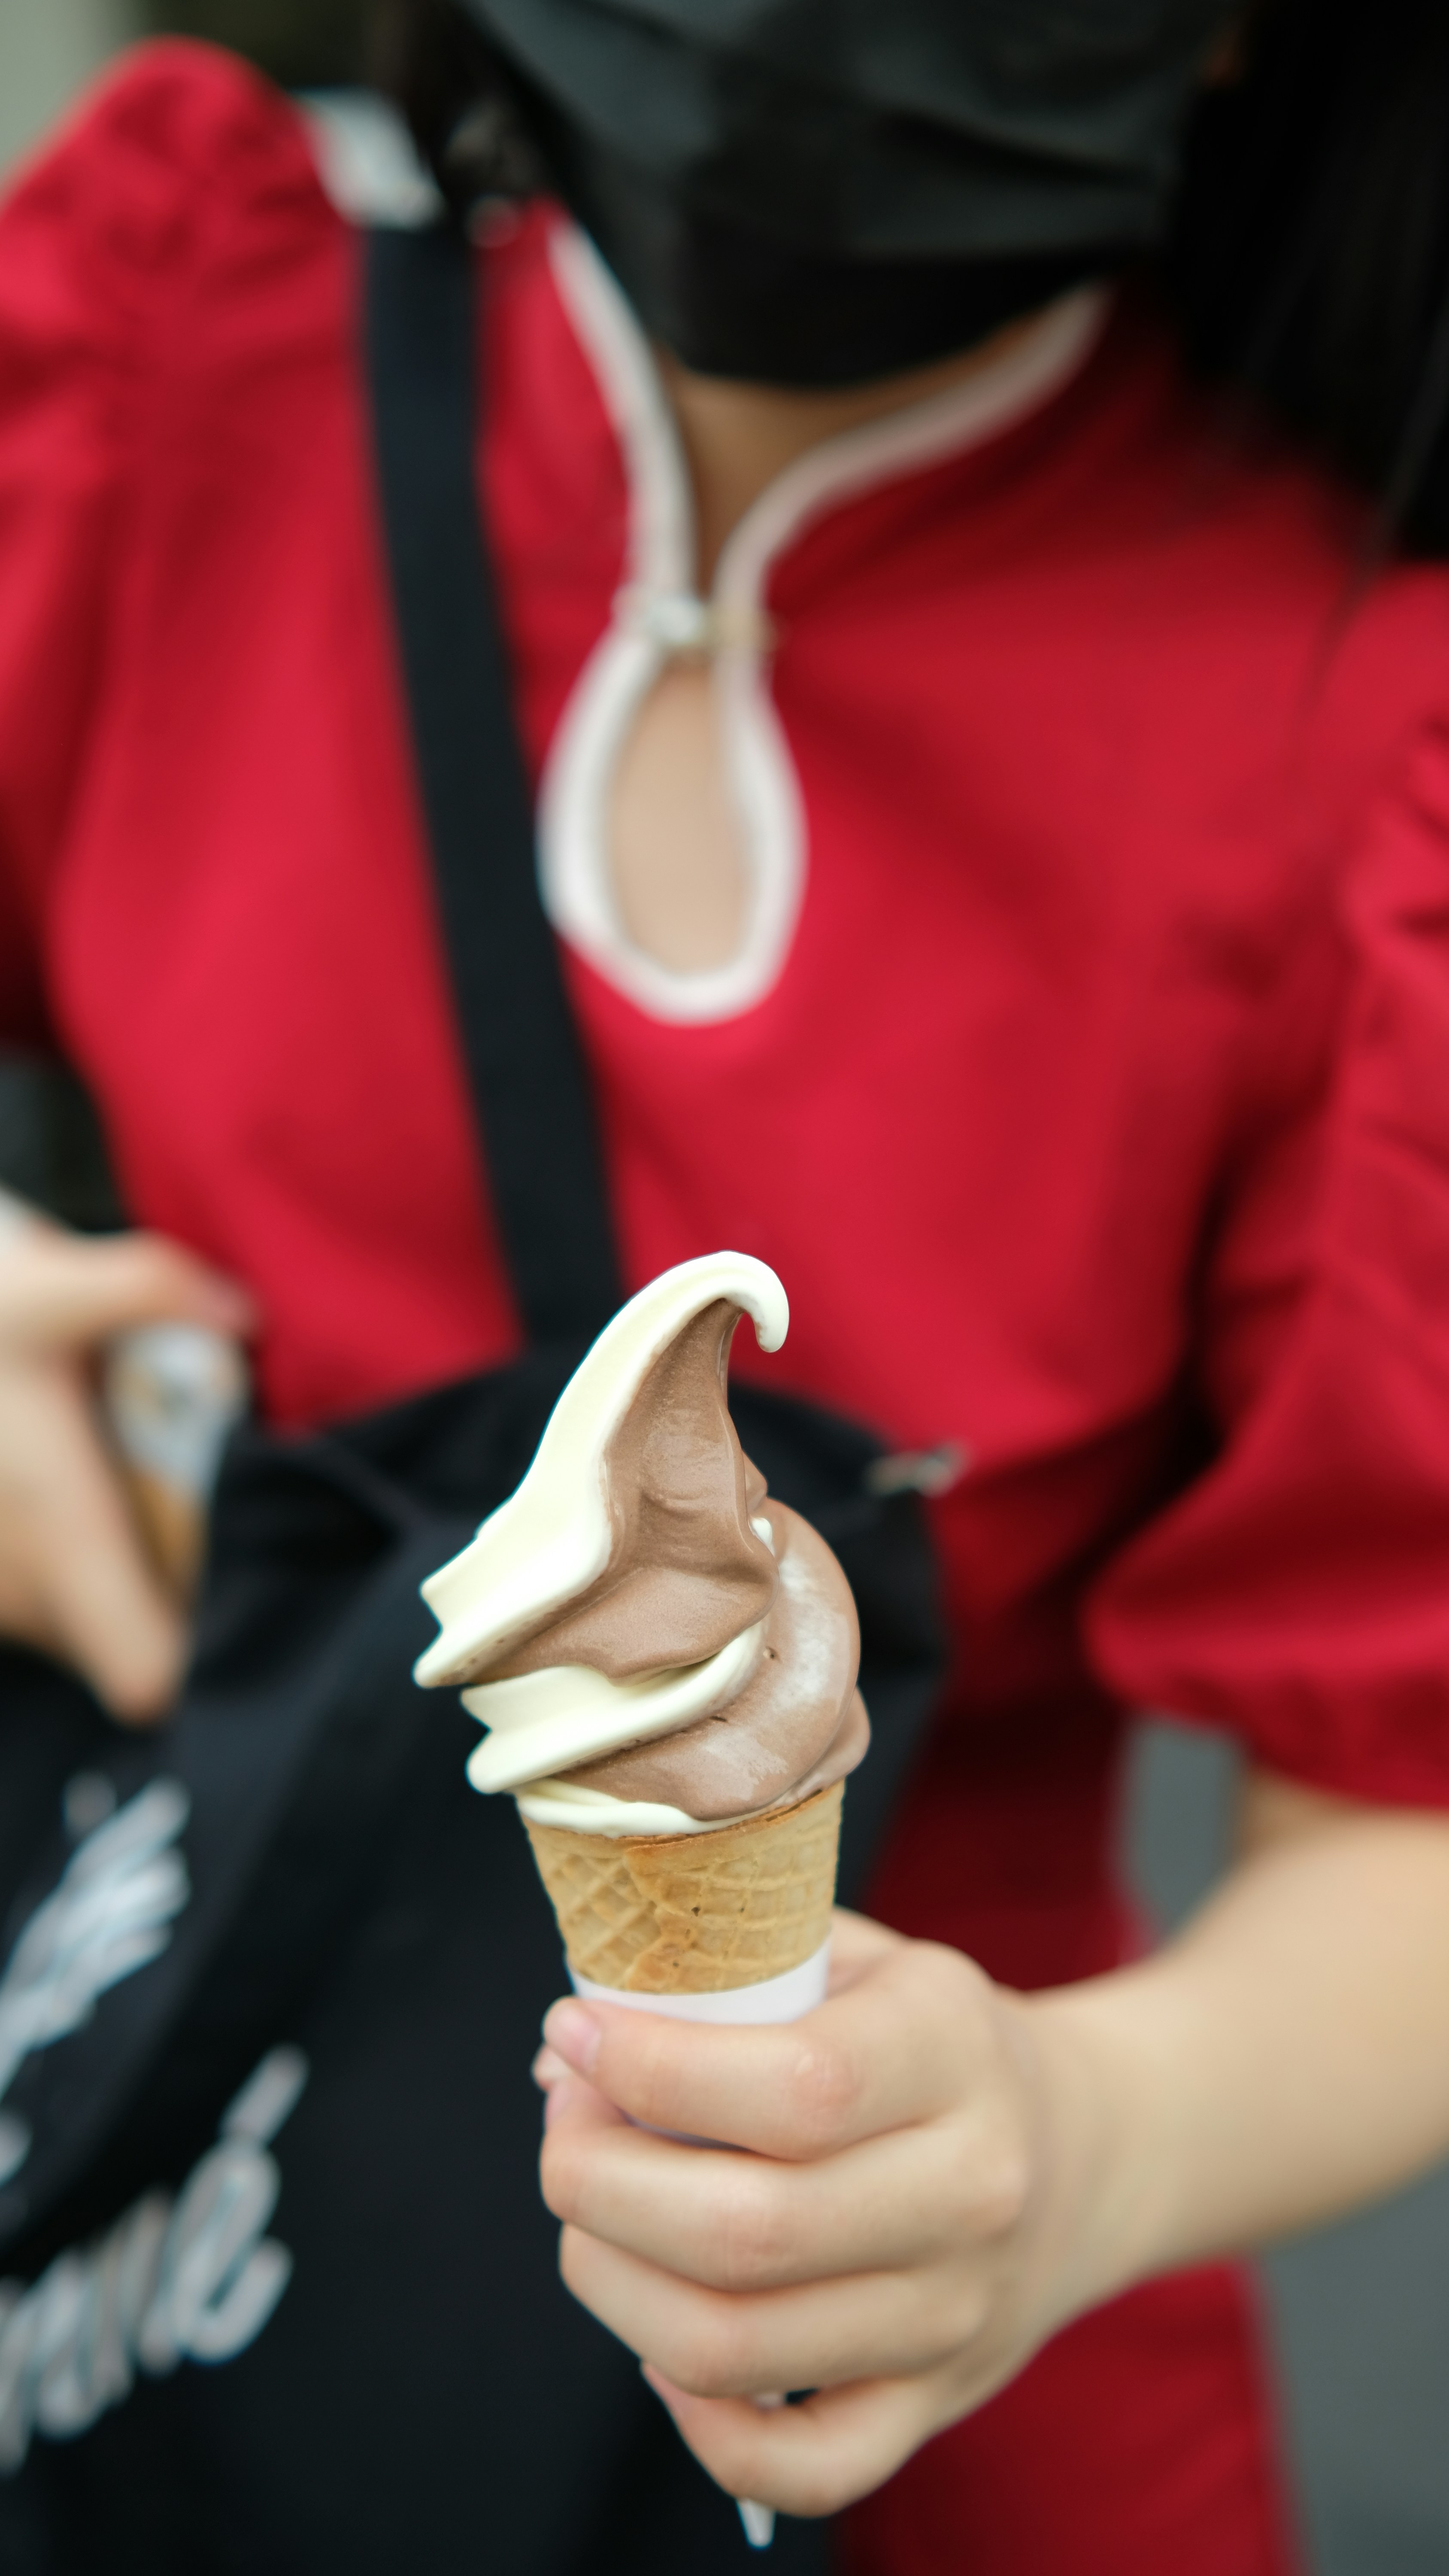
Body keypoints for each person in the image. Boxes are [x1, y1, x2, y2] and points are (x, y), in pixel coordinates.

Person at [3, 1, 1449, 2569]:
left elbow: (1407, 1808)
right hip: (159, 2173)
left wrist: (1085, 2139)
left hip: (938, 2348)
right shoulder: (160, 344)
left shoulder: (1364, 715)